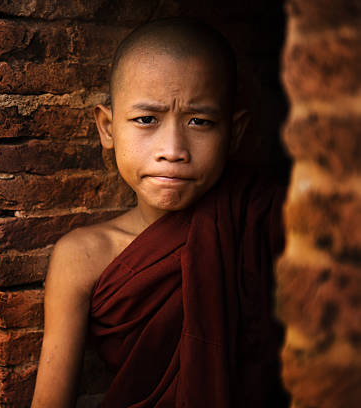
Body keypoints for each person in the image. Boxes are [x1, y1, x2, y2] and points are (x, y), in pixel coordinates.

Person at [31, 18, 289, 407]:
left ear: (233, 134)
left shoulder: (266, 220)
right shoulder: (82, 256)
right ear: (107, 128)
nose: (173, 149)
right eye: (146, 120)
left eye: (200, 122)